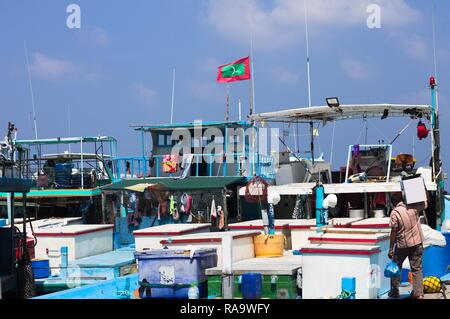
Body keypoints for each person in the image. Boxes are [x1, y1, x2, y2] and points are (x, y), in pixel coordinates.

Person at [388, 193, 427, 299]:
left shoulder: (395, 212)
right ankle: (419, 295)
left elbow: (393, 231)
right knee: (417, 269)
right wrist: (422, 191)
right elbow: (425, 204)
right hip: (417, 243)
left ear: (393, 203)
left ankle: (395, 291)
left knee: (396, 267)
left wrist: (391, 248)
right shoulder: (413, 207)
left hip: (403, 245)